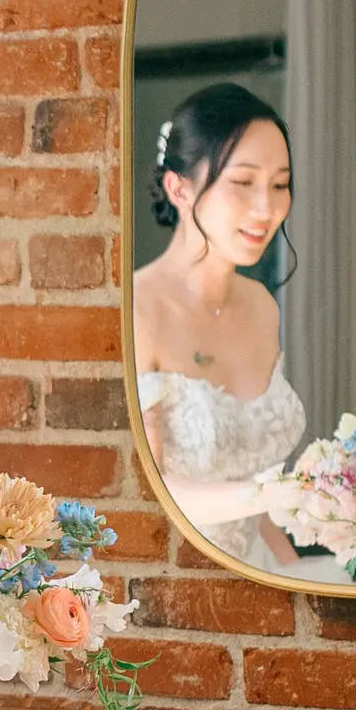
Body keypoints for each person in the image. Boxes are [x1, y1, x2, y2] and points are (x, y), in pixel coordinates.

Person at [131, 82, 308, 569]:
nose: (265, 209)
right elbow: (153, 491)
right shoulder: (138, 310)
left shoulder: (262, 307)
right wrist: (274, 492)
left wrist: (300, 581)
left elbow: (255, 508)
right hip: (175, 577)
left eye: (279, 184)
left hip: (261, 569)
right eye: (243, 182)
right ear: (179, 188)